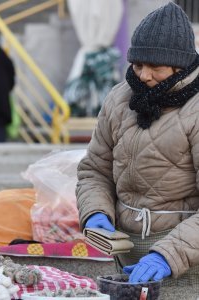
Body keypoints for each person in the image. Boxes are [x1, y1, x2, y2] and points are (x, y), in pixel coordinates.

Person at [76, 1, 199, 288]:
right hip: (125, 257)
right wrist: (95, 212)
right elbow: (95, 171)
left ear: (180, 65)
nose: (143, 75)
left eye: (155, 67)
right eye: (138, 64)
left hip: (186, 265)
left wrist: (168, 255)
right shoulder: (119, 98)